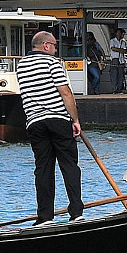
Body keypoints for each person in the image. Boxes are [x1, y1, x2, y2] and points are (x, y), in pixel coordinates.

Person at [17, 29, 84, 225]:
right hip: (58, 120)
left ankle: (45, 216)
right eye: (54, 46)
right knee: (69, 165)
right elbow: (66, 93)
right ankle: (76, 212)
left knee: (43, 169)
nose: (56, 50)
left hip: (34, 123)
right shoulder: (52, 63)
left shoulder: (21, 65)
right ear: (46, 46)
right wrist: (75, 120)